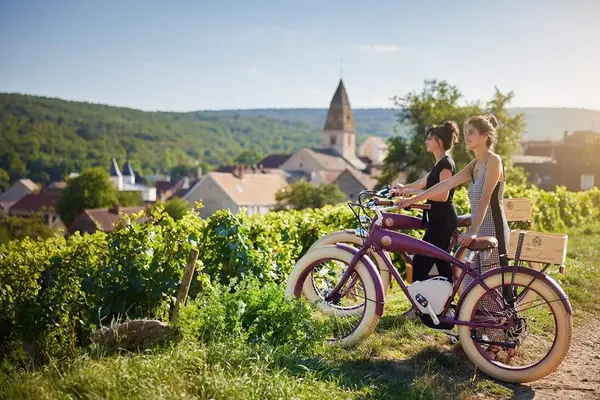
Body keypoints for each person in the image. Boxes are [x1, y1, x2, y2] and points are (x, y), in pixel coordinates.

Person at [396, 114, 511, 358]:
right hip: (478, 230)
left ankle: (499, 342)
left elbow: (483, 201)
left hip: (493, 230)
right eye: (466, 131)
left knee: (491, 289)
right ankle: (480, 336)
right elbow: (442, 188)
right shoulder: (474, 165)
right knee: (470, 288)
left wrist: (472, 230)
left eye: (471, 132)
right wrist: (411, 199)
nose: (467, 137)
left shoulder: (493, 161)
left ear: (485, 136)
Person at [392, 121, 460, 283]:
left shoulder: (446, 164)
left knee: (421, 261)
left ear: (438, 141)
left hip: (443, 220)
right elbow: (423, 183)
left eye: (429, 139)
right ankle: (444, 302)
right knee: (440, 261)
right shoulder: (439, 163)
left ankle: (420, 302)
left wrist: (412, 199)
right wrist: (403, 189)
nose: (426, 142)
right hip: (438, 218)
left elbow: (442, 195)